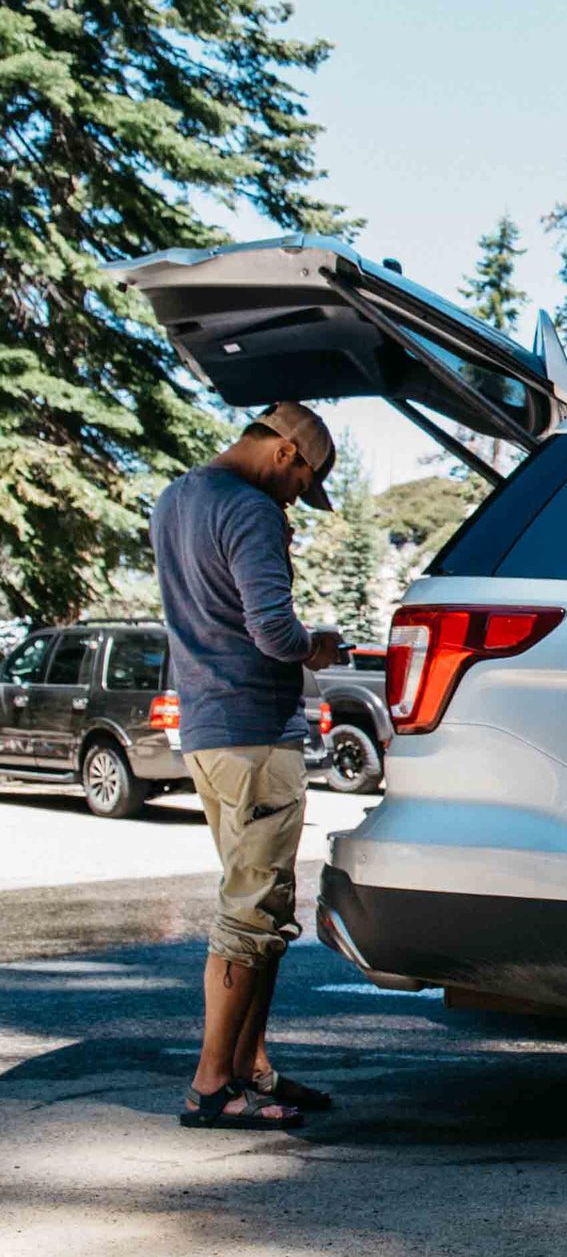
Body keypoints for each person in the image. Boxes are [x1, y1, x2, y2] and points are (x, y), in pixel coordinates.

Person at [151, 401, 346, 1130]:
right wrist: (317, 645)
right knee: (249, 912)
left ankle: (250, 1066)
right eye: (304, 482)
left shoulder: (176, 498)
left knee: (260, 907)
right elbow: (271, 629)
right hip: (256, 732)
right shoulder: (253, 509)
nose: (298, 497)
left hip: (206, 730)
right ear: (286, 453)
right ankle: (211, 1085)